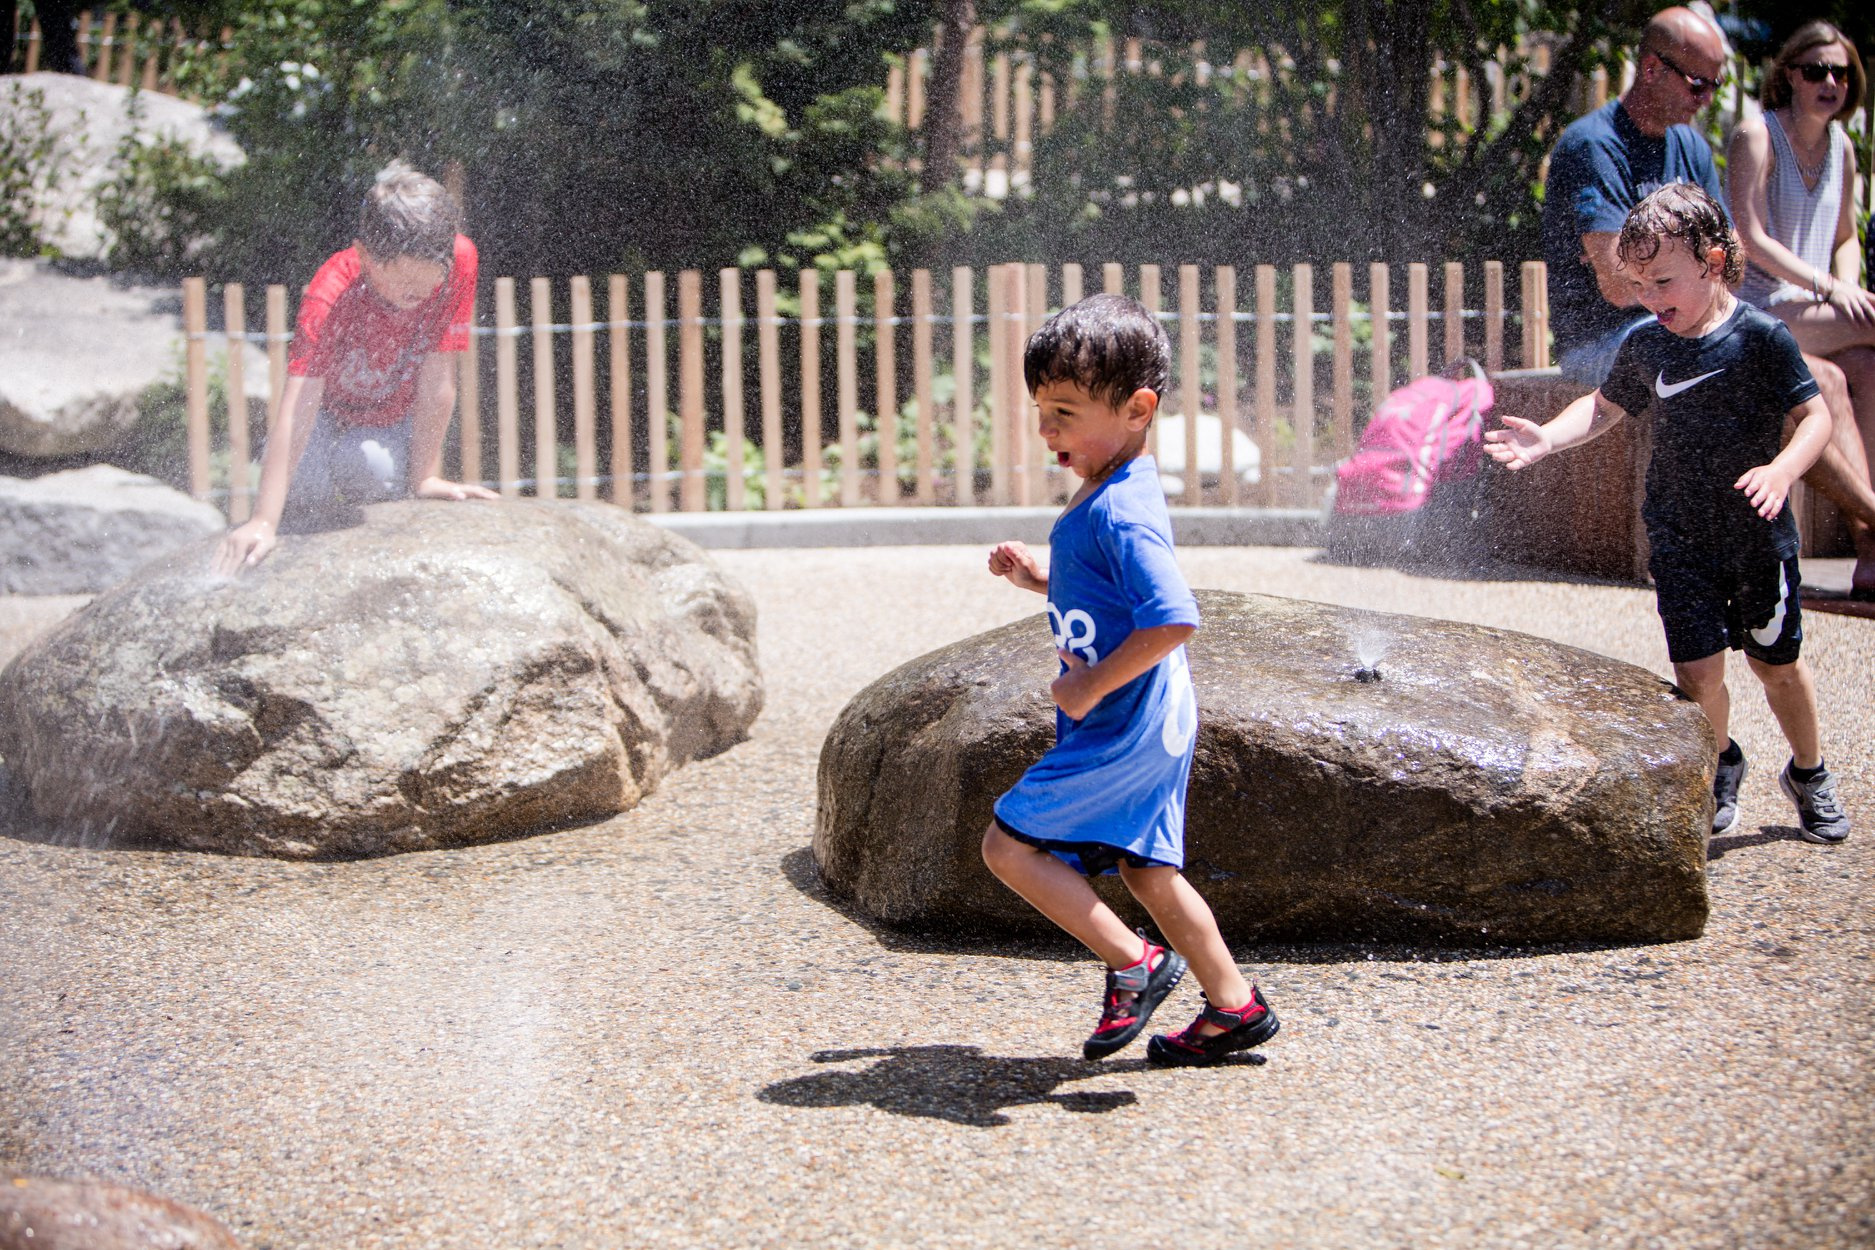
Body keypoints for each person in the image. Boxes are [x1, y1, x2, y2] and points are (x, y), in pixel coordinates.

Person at [1487, 185, 1851, 845]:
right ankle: (1720, 763)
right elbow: (1603, 407)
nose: (1652, 299)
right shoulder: (1648, 345)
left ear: (1712, 263)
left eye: (1663, 281)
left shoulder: (1760, 338)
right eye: (1639, 285)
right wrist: (1546, 437)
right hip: (1680, 535)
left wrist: (1781, 470)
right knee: (1697, 672)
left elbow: (1816, 416)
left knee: (1775, 666)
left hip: (1755, 539)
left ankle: (1807, 770)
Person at [980, 294, 1280, 1066]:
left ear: (1138, 407)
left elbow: (1173, 617)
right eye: (1041, 410)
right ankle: (1233, 1006)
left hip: (1126, 718)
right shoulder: (1112, 492)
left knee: (1008, 848)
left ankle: (1133, 963)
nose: (1047, 430)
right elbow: (1115, 596)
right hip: (1152, 712)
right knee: (1147, 867)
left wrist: (1088, 688)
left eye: (1065, 411)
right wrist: (1045, 579)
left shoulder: (1119, 511)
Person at [214, 162, 496, 575]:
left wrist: (425, 478)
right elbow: (299, 408)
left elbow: (438, 375)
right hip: (324, 412)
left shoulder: (460, 262)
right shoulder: (331, 292)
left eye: (426, 288)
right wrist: (262, 521)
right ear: (364, 255)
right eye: (403, 287)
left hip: (386, 418)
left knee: (370, 470)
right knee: (302, 485)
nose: (415, 298)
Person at [1728, 22, 1875, 598]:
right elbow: (1751, 236)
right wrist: (1829, 289)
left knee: (1859, 368)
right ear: (1788, 74)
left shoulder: (1842, 145)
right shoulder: (1755, 135)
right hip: (1763, 310)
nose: (1830, 81)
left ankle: (1869, 552)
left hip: (1817, 307)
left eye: (1841, 71)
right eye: (1816, 70)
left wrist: (1847, 286)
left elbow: (1846, 237)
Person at [1541, 6, 1727, 388]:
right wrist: (1693, 261)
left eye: (1714, 85)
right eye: (1697, 84)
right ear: (1651, 69)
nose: (1706, 99)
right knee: (1732, 379)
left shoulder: (1693, 147)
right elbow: (1621, 287)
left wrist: (1651, 266)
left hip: (1685, 329)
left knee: (1821, 376)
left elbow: (1731, 264)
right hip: (1604, 344)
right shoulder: (1594, 147)